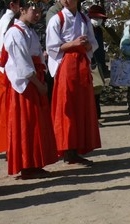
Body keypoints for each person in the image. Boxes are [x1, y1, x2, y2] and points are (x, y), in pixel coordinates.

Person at [3, 0, 58, 179]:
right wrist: (37, 83)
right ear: (22, 10)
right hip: (25, 85)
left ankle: (35, 162)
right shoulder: (14, 33)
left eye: (39, 12)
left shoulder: (30, 32)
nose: (37, 15)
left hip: (35, 80)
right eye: (34, 10)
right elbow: (22, 64)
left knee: (36, 123)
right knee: (26, 124)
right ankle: (26, 165)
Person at [46, 0, 101, 166]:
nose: (66, 1)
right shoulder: (57, 19)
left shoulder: (84, 18)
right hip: (66, 65)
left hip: (81, 64)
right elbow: (52, 47)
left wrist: (87, 45)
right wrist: (73, 44)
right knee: (67, 107)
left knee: (81, 106)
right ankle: (68, 149)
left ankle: (77, 148)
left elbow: (94, 42)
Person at [0, 0, 19, 153]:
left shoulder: (6, 20)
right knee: (9, 111)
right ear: (13, 4)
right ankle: (10, 146)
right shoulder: (9, 22)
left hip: (4, 69)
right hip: (7, 70)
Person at [87, 4, 107, 122]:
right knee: (92, 91)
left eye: (100, 18)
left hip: (98, 62)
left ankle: (97, 114)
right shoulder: (87, 29)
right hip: (90, 62)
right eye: (95, 18)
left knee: (98, 90)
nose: (97, 20)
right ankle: (93, 115)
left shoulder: (99, 30)